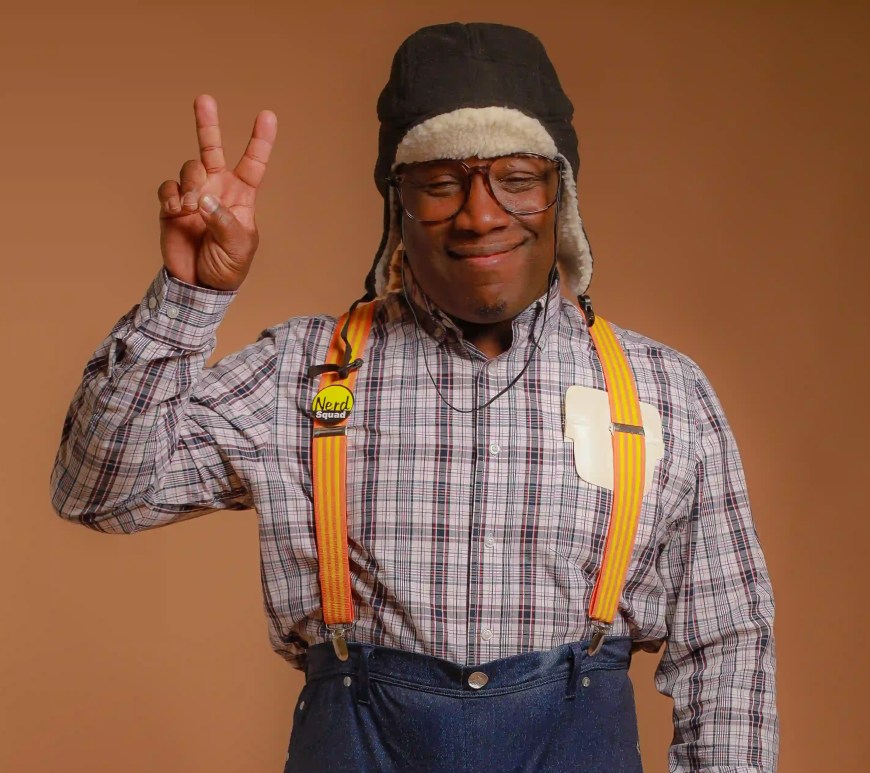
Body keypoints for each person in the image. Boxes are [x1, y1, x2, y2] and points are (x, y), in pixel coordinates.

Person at [50, 22, 779, 773]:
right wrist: (189, 295)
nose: (480, 214)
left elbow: (727, 647)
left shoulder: (664, 392)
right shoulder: (302, 372)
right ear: (396, 203)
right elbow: (98, 492)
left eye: (517, 179)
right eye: (439, 182)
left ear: (561, 197)